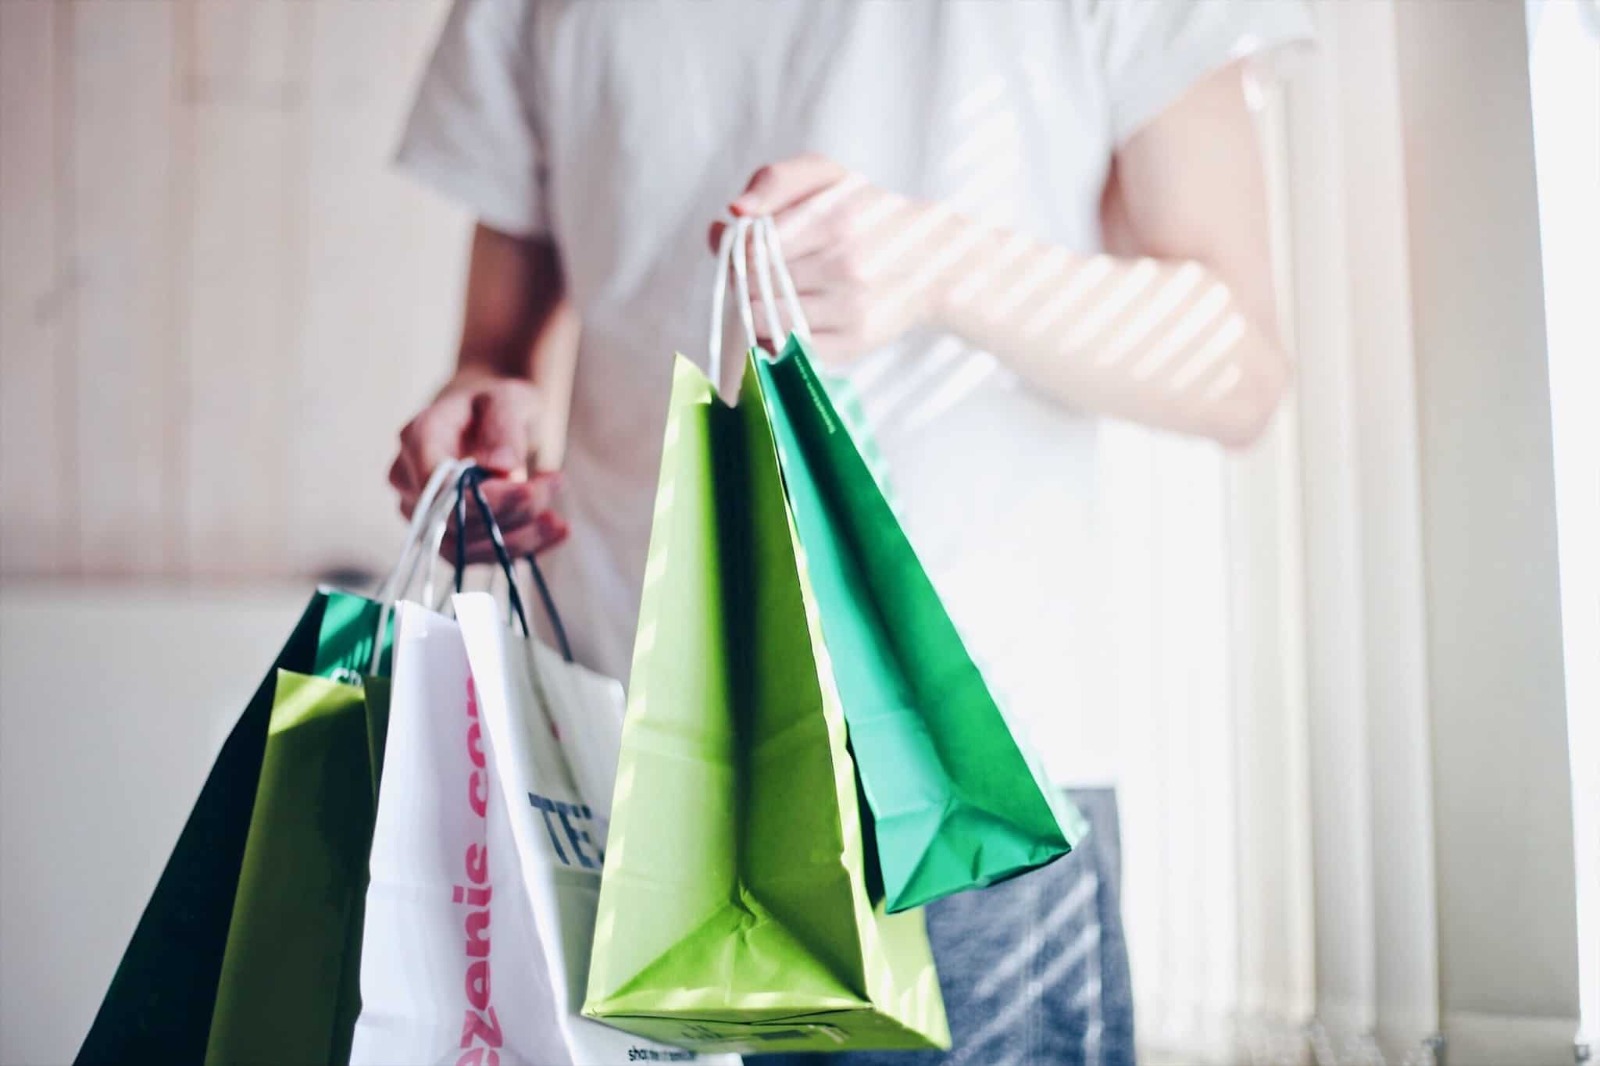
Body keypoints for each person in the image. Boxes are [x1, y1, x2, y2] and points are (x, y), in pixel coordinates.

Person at [389, 2, 1310, 1062]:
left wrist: (938, 265)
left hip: (960, 779)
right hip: (618, 755)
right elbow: (498, 345)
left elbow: (1236, 368)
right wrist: (482, 406)